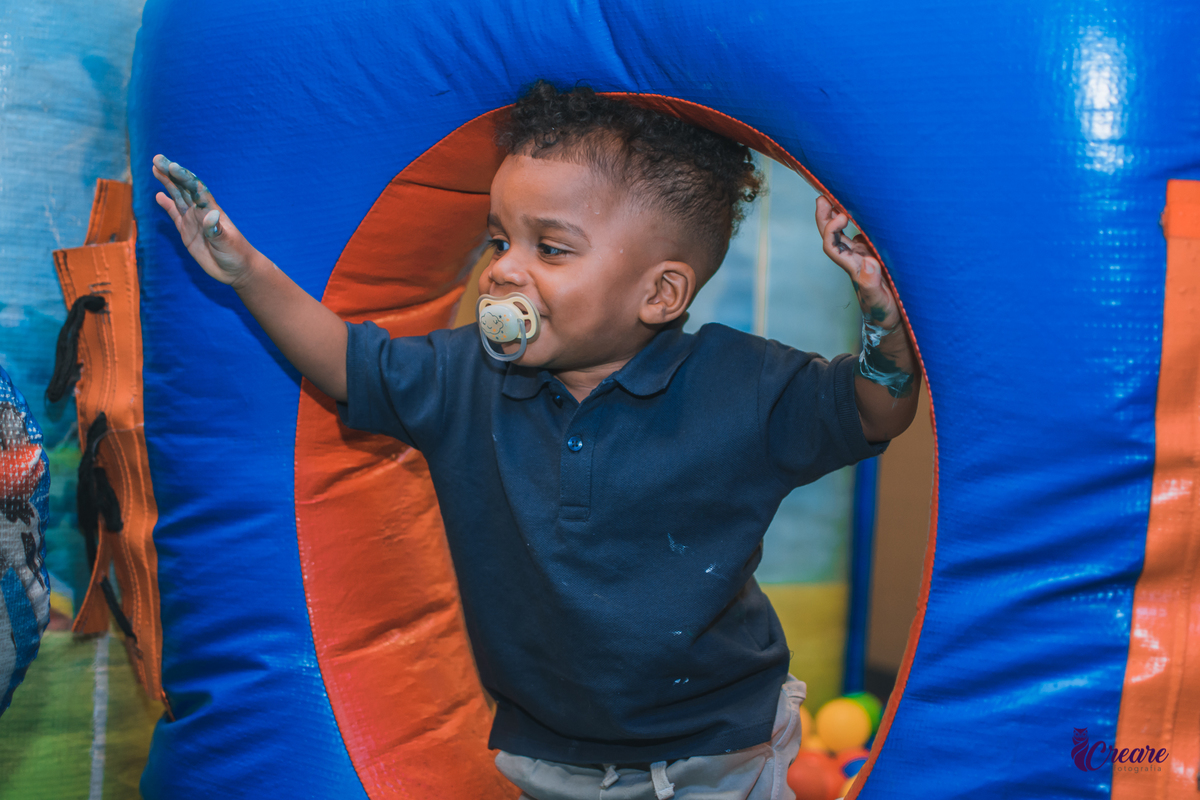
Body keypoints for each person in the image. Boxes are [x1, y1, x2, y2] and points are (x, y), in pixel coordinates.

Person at [151, 80, 919, 800]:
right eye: (498, 240)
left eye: (550, 249)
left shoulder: (742, 383)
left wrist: (882, 311)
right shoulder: (465, 378)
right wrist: (246, 271)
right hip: (551, 755)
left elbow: (874, 409)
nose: (502, 271)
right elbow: (349, 363)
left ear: (660, 293)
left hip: (723, 747)